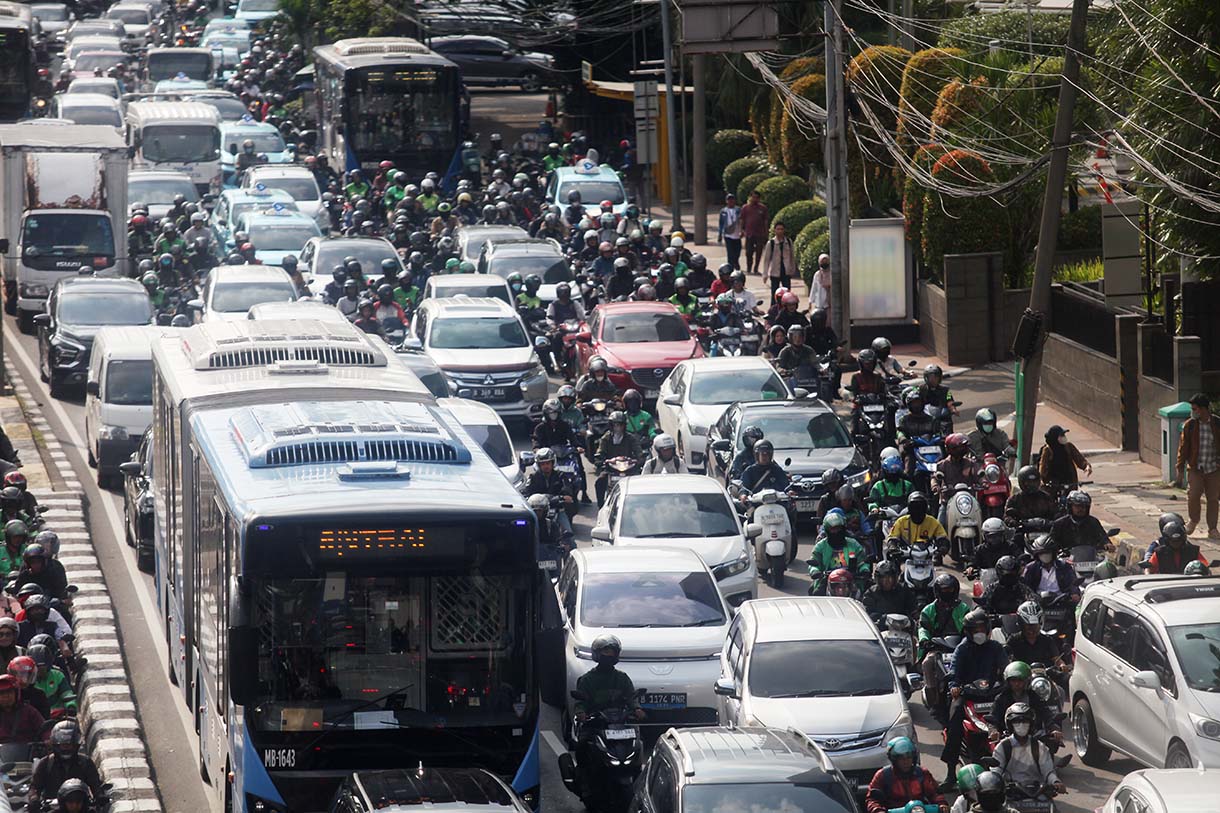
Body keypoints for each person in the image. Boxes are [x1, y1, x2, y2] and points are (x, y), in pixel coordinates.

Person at [941, 609, 1008, 779]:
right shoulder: (962, 649)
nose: (979, 633)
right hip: (967, 695)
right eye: (975, 630)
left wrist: (1009, 680)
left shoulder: (996, 647)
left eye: (981, 629)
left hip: (993, 694)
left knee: (1016, 715)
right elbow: (954, 671)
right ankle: (950, 773)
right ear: (968, 632)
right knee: (954, 722)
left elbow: (1005, 667)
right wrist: (955, 686)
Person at [918, 573, 969, 711]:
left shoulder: (963, 608)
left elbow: (970, 626)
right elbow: (923, 628)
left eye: (950, 590)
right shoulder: (928, 610)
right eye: (944, 590)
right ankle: (932, 697)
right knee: (927, 663)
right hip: (938, 646)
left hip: (960, 645)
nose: (947, 593)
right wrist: (924, 640)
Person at [992, 703, 1065, 798]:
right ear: (1010, 724)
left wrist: (1056, 782)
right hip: (1011, 795)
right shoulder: (1003, 747)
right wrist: (993, 783)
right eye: (1017, 722)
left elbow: (1048, 772)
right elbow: (996, 772)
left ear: (1031, 724)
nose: (1021, 725)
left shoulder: (1039, 746)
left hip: (1038, 793)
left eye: (1025, 721)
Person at [29, 719, 104, 810]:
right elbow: (35, 787)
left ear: (76, 745)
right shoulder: (46, 763)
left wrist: (100, 796)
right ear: (56, 744)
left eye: (69, 744)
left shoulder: (85, 762)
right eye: (63, 745)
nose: (66, 748)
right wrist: (34, 799)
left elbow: (95, 785)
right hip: (53, 809)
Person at [1175, 393, 1220, 539]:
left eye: (1196, 409)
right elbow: (1183, 448)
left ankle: (1212, 528)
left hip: (1213, 468)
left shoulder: (1217, 424)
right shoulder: (1190, 425)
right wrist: (1180, 468)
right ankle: (1193, 520)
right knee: (1193, 495)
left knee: (1213, 499)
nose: (1193, 411)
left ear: (1204, 409)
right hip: (1196, 467)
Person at [864, 736, 947, 813]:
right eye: (901, 758)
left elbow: (935, 793)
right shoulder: (882, 776)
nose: (906, 761)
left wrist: (941, 804)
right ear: (894, 759)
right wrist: (878, 810)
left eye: (909, 757)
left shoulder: (921, 773)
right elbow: (872, 799)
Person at [573, 635, 644, 722]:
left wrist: (637, 709)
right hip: (595, 723)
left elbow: (631, 697)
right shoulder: (587, 679)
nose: (609, 655)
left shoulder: (622, 678)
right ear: (597, 653)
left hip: (620, 722)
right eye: (606, 652)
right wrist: (581, 712)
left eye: (612, 652)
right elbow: (581, 702)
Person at [987, 662, 1060, 744]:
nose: (1017, 684)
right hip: (1008, 739)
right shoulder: (1001, 698)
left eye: (1020, 680)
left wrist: (1054, 728)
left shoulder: (1034, 697)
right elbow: (993, 718)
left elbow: (1046, 713)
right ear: (1008, 681)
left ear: (1027, 680)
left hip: (1033, 737)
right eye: (1013, 680)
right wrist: (993, 730)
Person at [1005, 601, 1069, 679]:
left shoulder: (1047, 640)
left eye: (1035, 626)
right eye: (1028, 626)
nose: (1032, 630)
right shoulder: (1013, 641)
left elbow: (1057, 659)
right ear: (1021, 624)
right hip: (1022, 682)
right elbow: (1007, 663)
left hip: (1045, 680)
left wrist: (1062, 666)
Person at [808, 512, 870, 593]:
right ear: (827, 530)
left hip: (851, 581)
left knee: (867, 592)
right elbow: (814, 562)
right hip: (827, 581)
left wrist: (864, 570)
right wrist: (815, 571)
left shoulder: (853, 544)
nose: (836, 532)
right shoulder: (820, 546)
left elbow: (862, 561)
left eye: (838, 529)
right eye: (833, 529)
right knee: (816, 593)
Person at [522, 447, 575, 539]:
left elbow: (567, 494)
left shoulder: (561, 476)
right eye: (542, 464)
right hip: (537, 512)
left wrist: (560, 498)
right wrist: (555, 497)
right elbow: (525, 494)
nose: (545, 466)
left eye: (548, 463)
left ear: (552, 463)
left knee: (569, 538)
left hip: (557, 510)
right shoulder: (533, 477)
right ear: (539, 465)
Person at [594, 411, 643, 506]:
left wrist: (639, 460)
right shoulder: (606, 438)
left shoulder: (631, 438)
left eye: (620, 425)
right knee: (600, 482)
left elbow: (639, 452)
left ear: (624, 426)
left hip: (629, 469)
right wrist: (600, 459)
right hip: (611, 469)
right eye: (615, 425)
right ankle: (601, 506)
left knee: (640, 481)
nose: (618, 428)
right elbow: (600, 451)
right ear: (611, 426)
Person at [1049, 490, 1112, 563]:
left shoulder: (1093, 522)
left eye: (1083, 506)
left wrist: (1107, 544)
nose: (1081, 509)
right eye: (1077, 506)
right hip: (1066, 560)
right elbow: (1051, 542)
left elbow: (1102, 536)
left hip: (1090, 560)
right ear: (1070, 506)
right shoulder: (1059, 523)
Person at [1037, 425, 1090, 492]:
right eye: (1061, 435)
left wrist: (1086, 466)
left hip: (1069, 482)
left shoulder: (1068, 446)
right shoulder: (1048, 450)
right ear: (1055, 438)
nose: (1064, 437)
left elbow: (1079, 459)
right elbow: (1043, 467)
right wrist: (1041, 480)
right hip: (1053, 485)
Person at [0, 673, 44, 744]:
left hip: (28, 753)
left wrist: (48, 740)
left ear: (16, 693)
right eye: (1, 693)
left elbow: (44, 729)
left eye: (9, 692)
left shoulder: (29, 712)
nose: (6, 696)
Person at [761, 220, 795, 298]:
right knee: (774, 294)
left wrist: (792, 269)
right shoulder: (771, 243)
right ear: (775, 230)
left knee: (787, 293)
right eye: (778, 229)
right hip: (775, 271)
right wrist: (765, 273)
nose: (780, 231)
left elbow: (792, 257)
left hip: (786, 271)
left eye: (781, 229)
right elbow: (766, 259)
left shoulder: (789, 242)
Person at [740, 190, 768, 276]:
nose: (755, 199)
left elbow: (765, 221)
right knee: (749, 252)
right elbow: (742, 219)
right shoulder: (745, 208)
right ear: (750, 197)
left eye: (757, 197)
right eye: (753, 197)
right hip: (749, 234)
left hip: (760, 234)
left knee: (759, 252)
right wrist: (741, 230)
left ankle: (756, 268)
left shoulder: (763, 208)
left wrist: (766, 232)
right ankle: (749, 267)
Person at [717, 193, 743, 270]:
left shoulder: (738, 210)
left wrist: (742, 230)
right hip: (728, 235)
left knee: (738, 250)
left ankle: (736, 261)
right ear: (726, 201)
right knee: (730, 252)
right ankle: (730, 267)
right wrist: (720, 234)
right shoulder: (723, 211)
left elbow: (742, 221)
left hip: (737, 234)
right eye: (729, 200)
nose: (731, 201)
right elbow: (721, 223)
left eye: (732, 199)